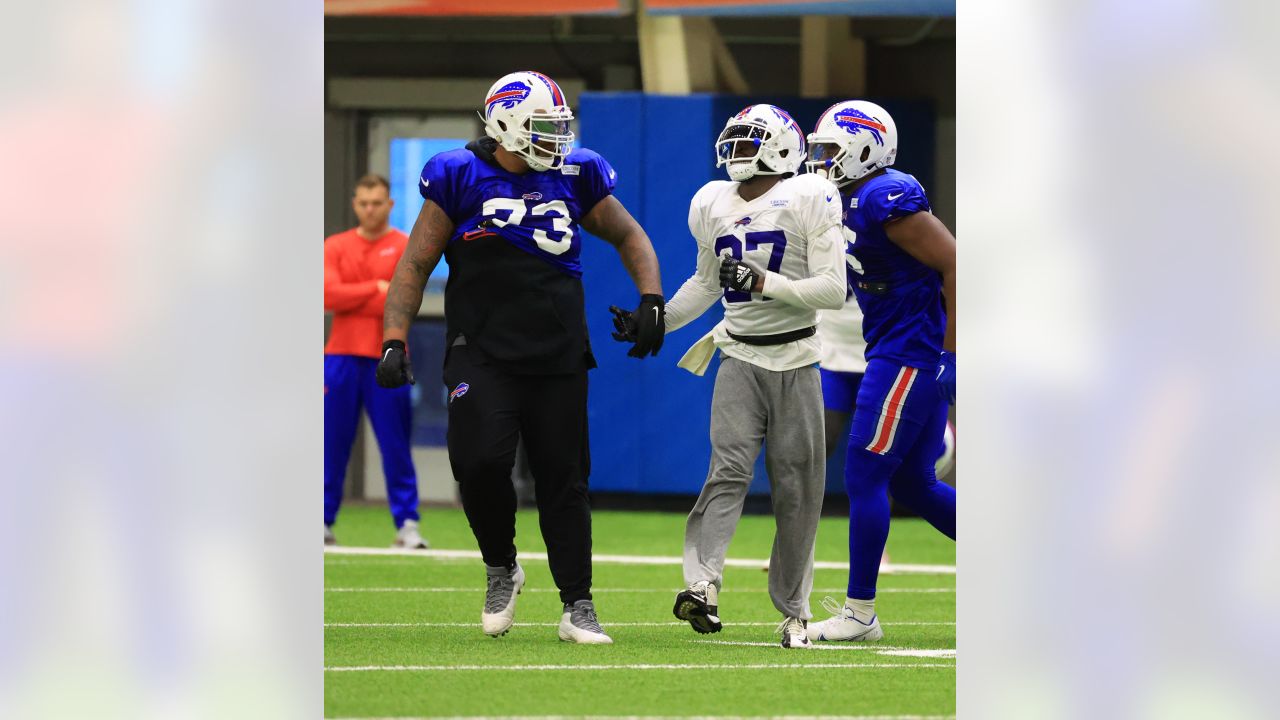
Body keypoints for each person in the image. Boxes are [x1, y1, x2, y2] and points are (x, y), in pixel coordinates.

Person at [374, 71, 665, 645]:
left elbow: (631, 235)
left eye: (558, 127)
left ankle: (578, 604)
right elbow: (415, 264)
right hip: (480, 350)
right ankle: (501, 565)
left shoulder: (576, 173)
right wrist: (394, 337)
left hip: (556, 352)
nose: (555, 139)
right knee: (479, 464)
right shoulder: (458, 174)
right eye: (541, 127)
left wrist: (651, 299)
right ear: (504, 124)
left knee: (565, 480)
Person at [621, 104, 845, 649]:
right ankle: (702, 587)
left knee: (798, 491)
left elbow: (833, 290)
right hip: (738, 356)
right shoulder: (710, 200)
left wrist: (763, 282)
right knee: (726, 472)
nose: (739, 151)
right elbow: (705, 282)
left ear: (783, 147)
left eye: (751, 141)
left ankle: (795, 611)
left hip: (796, 358)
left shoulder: (810, 194)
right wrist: (658, 319)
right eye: (736, 140)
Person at [802, 100, 957, 643]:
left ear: (866, 148)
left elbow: (956, 262)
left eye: (830, 150)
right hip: (894, 350)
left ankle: (859, 614)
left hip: (908, 356)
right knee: (915, 484)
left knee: (865, 475)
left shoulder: (883, 198)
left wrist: (952, 354)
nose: (820, 161)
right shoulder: (844, 197)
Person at [324, 174, 426, 550]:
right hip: (339, 358)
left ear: (390, 204)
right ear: (355, 204)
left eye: (377, 202)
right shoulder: (334, 246)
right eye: (364, 202)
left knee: (395, 444)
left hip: (389, 357)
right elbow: (327, 295)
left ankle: (408, 524)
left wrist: (380, 295)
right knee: (331, 443)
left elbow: (401, 300)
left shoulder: (404, 245)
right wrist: (375, 288)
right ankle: (320, 520)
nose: (370, 209)